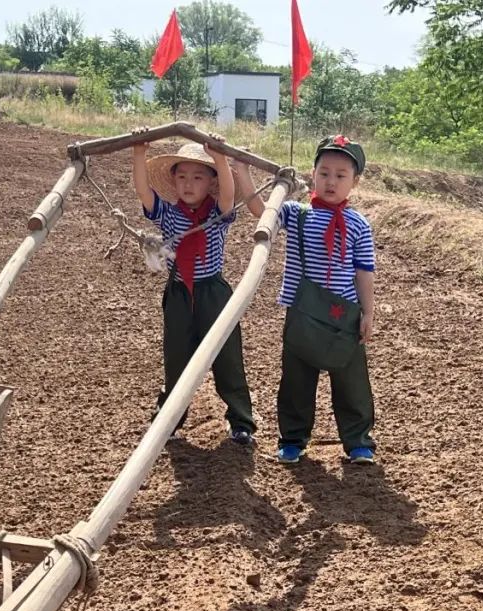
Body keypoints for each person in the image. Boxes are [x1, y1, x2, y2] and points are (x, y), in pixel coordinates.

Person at [237, 134, 377, 464]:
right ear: (313, 174)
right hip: (301, 313)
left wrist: (368, 312)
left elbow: (364, 271)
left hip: (344, 314)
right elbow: (262, 213)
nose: (331, 181)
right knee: (296, 381)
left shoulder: (358, 224)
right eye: (324, 172)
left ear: (354, 182)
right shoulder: (295, 214)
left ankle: (358, 442)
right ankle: (293, 440)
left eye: (341, 176)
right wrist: (241, 171)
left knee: (351, 383)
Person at [132, 136, 256, 445]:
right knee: (177, 357)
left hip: (212, 293)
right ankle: (169, 420)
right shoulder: (167, 213)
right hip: (178, 293)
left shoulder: (218, 214)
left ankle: (241, 421)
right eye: (182, 177)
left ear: (210, 182)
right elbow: (143, 190)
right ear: (173, 181)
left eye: (198, 177)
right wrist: (138, 153)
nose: (189, 184)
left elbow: (229, 194)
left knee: (226, 357)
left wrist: (221, 161)